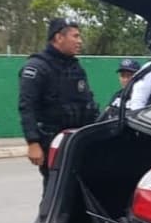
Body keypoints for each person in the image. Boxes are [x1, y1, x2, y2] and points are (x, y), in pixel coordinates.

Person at [18, 18, 99, 195]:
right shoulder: (37, 67)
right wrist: (33, 142)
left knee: (78, 191)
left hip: (77, 139)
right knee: (55, 192)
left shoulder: (75, 67)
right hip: (52, 140)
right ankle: (46, 222)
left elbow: (87, 102)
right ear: (58, 37)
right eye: (75, 36)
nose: (80, 41)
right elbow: (27, 107)